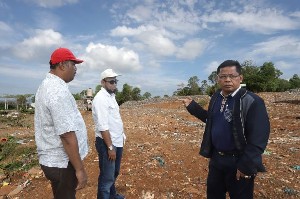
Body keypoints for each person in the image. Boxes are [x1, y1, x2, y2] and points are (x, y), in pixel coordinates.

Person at [181, 60, 270, 199]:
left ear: (240, 78)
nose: (227, 79)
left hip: (239, 161)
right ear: (217, 79)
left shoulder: (252, 101)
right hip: (217, 159)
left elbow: (259, 138)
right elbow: (211, 119)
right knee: (214, 194)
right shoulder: (216, 97)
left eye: (232, 76)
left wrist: (245, 165)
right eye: (223, 76)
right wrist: (193, 107)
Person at [34, 47, 89, 199]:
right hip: (62, 163)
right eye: (73, 64)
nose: (76, 69)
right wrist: (79, 169)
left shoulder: (47, 86)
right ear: (62, 65)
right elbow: (66, 135)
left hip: (54, 161)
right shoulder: (57, 91)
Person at [92, 69, 126, 199]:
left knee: (113, 173)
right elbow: (103, 126)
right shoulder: (100, 99)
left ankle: (112, 196)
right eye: (111, 82)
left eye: (115, 81)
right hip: (107, 143)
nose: (114, 84)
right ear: (103, 82)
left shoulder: (111, 96)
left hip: (116, 141)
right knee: (106, 178)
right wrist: (110, 147)